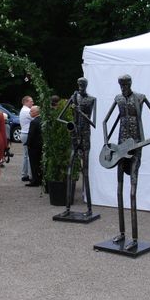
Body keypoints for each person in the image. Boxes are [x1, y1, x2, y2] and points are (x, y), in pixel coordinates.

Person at [102, 74, 150, 251]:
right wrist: (106, 142)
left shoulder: (140, 98)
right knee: (119, 188)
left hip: (135, 145)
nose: (123, 88)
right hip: (120, 146)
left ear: (130, 83)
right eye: (121, 85)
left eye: (125, 84)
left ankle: (134, 238)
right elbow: (105, 120)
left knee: (132, 191)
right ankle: (122, 233)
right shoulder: (118, 99)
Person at [57, 77, 96, 217]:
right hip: (75, 136)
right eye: (79, 84)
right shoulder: (73, 98)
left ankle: (90, 208)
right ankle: (67, 208)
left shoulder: (92, 99)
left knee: (85, 172)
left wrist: (80, 112)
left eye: (83, 84)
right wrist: (70, 123)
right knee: (69, 171)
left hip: (85, 136)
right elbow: (60, 117)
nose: (80, 86)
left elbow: (94, 123)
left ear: (86, 85)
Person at [26, 105, 42, 186]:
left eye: (31, 111)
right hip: (41, 145)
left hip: (33, 146)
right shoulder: (42, 120)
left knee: (34, 164)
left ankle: (35, 180)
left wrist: (27, 144)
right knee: (40, 163)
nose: (29, 112)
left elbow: (31, 134)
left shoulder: (33, 122)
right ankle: (41, 179)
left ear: (36, 112)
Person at [19, 95, 34, 181]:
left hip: (24, 133)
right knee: (29, 156)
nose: (32, 102)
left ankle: (24, 174)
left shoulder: (23, 110)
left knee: (26, 156)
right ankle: (29, 175)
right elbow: (36, 117)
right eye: (31, 101)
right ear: (26, 102)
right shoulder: (27, 110)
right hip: (27, 134)